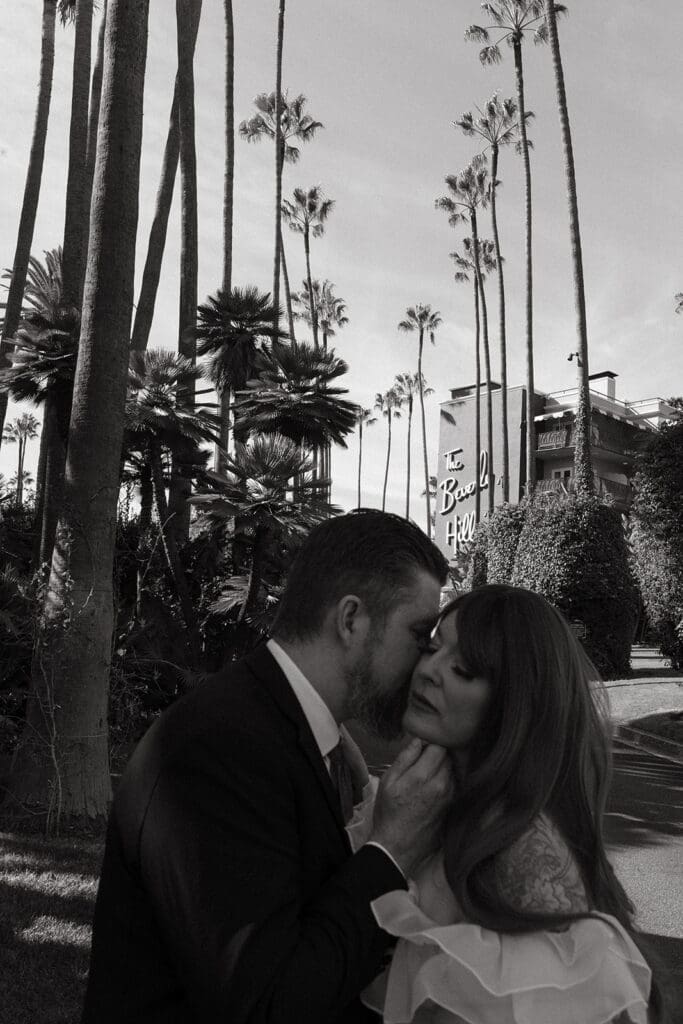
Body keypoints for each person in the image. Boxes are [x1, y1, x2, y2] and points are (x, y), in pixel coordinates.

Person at [82, 509, 452, 1024]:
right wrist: (393, 851)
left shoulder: (287, 731)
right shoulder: (222, 748)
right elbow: (267, 1003)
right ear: (351, 620)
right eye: (419, 636)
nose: (426, 664)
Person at [346, 584, 659, 1024]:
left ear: (515, 701)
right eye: (432, 647)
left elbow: (582, 994)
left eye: (465, 669)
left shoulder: (522, 846)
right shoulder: (438, 797)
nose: (430, 671)